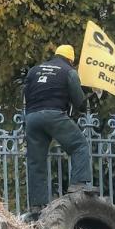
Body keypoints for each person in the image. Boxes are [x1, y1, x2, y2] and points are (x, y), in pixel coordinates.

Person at [23, 45, 93, 217]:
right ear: (71, 59)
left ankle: (37, 206)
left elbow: (25, 93)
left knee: (35, 161)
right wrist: (86, 102)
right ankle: (78, 185)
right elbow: (79, 102)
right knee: (79, 146)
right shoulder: (68, 71)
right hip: (53, 115)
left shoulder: (34, 70)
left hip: (31, 117)